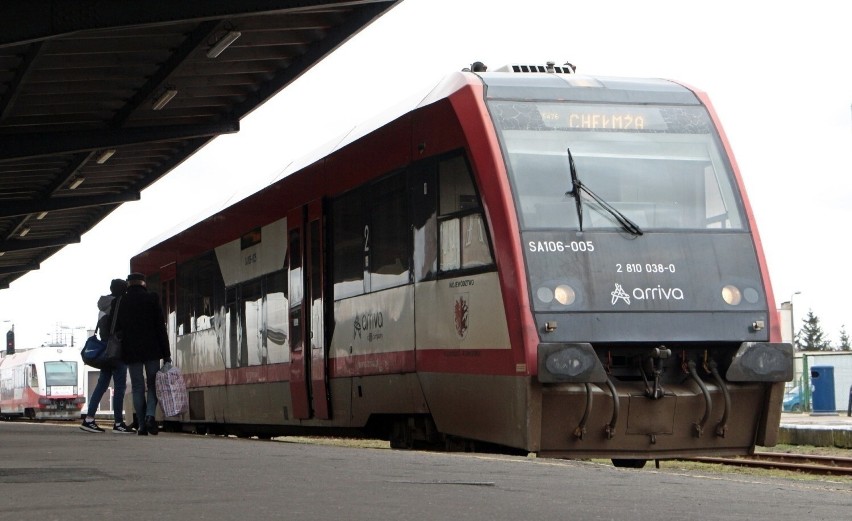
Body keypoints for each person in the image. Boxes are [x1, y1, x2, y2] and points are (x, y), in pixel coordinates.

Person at [114, 272, 171, 436]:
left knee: (138, 387)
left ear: (129, 284)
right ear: (143, 283)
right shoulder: (152, 298)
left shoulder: (122, 301)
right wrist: (166, 354)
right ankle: (150, 416)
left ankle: (141, 426)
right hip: (152, 350)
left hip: (131, 351)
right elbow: (161, 327)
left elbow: (117, 328)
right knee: (153, 385)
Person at [80, 279, 134, 433]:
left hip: (105, 351)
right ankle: (118, 423)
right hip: (117, 352)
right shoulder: (119, 305)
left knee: (101, 386)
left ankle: (89, 419)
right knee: (119, 387)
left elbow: (103, 330)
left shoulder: (103, 306)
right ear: (123, 291)